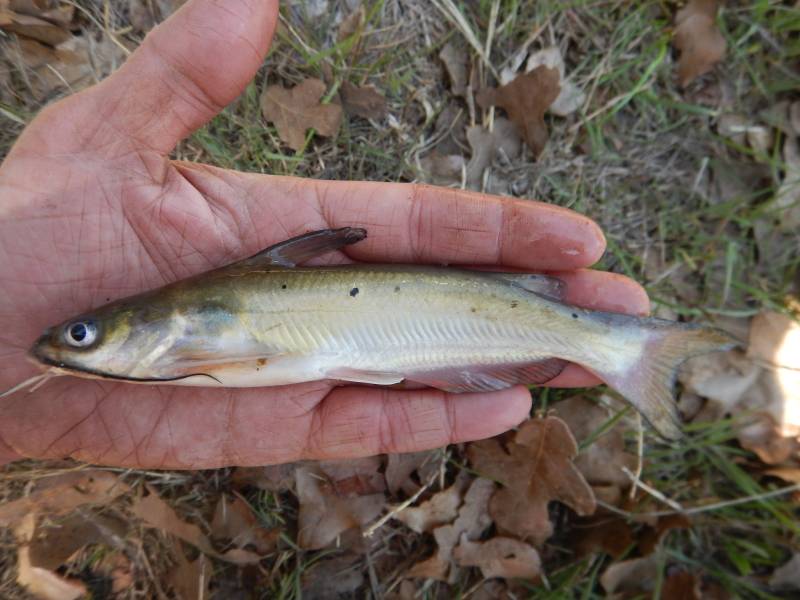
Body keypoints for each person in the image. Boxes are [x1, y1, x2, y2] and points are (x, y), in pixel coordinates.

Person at [0, 0, 648, 469]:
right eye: (82, 333)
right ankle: (618, 347)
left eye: (84, 332)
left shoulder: (190, 321)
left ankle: (621, 349)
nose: (74, 339)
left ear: (153, 322)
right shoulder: (183, 326)